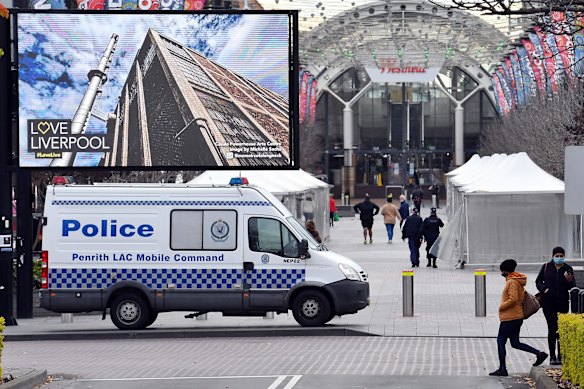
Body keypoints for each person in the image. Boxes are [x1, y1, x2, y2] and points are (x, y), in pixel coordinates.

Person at [489, 259, 548, 376]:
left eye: (502, 271)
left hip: (510, 317)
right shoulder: (516, 280)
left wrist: (501, 306)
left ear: (505, 271)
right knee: (515, 343)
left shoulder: (512, 282)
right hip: (517, 317)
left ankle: (502, 368)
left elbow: (513, 299)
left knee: (501, 340)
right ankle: (539, 353)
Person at [535, 246, 576, 365]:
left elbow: (573, 286)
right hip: (549, 303)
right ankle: (552, 356)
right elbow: (538, 281)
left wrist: (569, 280)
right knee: (552, 328)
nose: (559, 258)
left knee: (561, 330)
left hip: (562, 302)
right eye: (557, 256)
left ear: (564, 256)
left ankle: (561, 355)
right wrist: (544, 289)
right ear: (553, 256)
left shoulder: (568, 268)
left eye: (561, 256)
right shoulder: (547, 267)